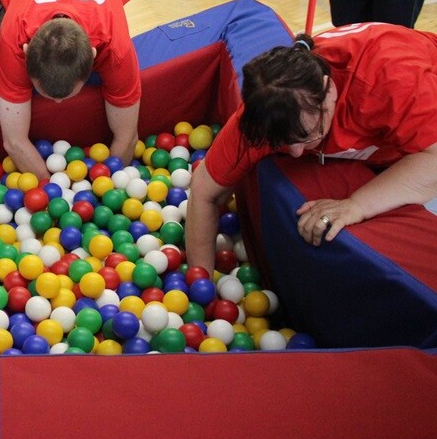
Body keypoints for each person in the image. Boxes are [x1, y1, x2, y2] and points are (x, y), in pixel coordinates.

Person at [185, 24, 437, 275]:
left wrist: (356, 205)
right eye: (282, 142)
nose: (296, 153)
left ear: (329, 92)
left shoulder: (389, 84)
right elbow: (204, 191)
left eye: (307, 135)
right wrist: (199, 284)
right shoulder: (266, 112)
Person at [0, 0, 141, 179]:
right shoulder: (14, 36)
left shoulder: (116, 47)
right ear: (26, 50)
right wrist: (50, 192)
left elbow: (128, 138)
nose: (58, 104)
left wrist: (108, 188)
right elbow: (13, 142)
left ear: (94, 55)